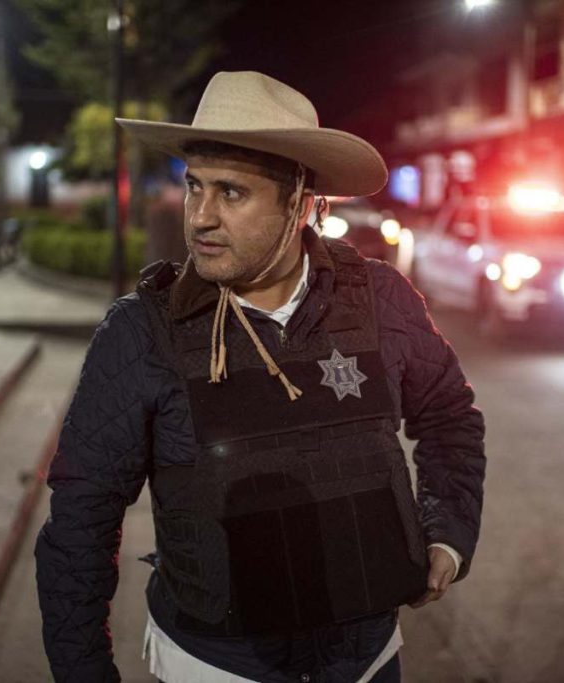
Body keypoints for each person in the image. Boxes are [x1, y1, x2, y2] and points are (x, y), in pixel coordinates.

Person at [36, 71, 486, 683]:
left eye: (231, 192)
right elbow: (81, 518)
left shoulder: (380, 299)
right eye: (194, 187)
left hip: (369, 660)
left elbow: (449, 416)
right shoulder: (141, 332)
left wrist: (447, 532)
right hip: (214, 667)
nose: (200, 217)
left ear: (299, 204)